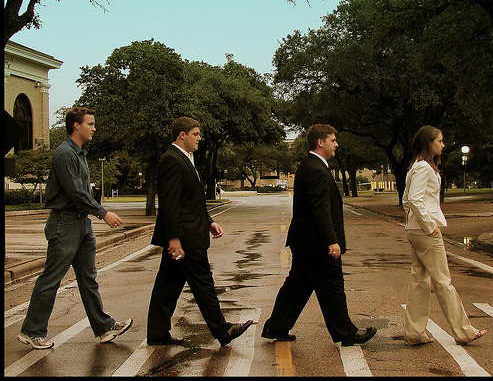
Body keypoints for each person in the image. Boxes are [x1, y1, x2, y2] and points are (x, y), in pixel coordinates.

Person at [18, 107, 132, 350]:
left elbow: (82, 192)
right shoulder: (65, 154)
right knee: (51, 278)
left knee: (88, 278)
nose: (94, 128)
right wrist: (103, 213)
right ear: (76, 126)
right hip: (65, 223)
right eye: (90, 124)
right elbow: (76, 192)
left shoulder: (79, 153)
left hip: (81, 223)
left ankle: (103, 327)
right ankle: (32, 331)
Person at [262, 124, 377, 346]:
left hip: (305, 242)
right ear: (320, 142)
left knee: (297, 286)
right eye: (333, 140)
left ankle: (275, 326)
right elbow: (320, 209)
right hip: (317, 244)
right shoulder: (315, 169)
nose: (336, 144)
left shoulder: (310, 166)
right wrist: (331, 241)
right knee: (332, 286)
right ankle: (346, 332)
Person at [147, 117, 252, 346]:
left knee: (167, 286)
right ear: (182, 135)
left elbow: (191, 200)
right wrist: (173, 238)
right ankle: (223, 330)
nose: (199, 138)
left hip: (190, 231)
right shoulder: (172, 160)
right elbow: (170, 202)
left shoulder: (186, 159)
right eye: (195, 134)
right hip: (185, 237)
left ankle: (157, 333)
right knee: (203, 283)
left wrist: (208, 221)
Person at [402, 125, 487, 346]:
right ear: (428, 143)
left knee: (419, 280)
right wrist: (430, 225)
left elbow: (405, 200)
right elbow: (413, 199)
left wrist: (414, 222)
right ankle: (463, 331)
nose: (443, 144)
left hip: (415, 229)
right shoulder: (424, 168)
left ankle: (414, 332)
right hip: (424, 231)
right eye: (439, 141)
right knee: (443, 281)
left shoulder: (416, 166)